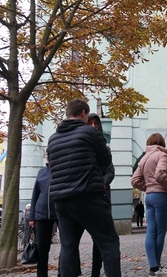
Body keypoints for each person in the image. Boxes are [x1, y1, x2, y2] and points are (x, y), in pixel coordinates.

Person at [47, 98, 121, 277]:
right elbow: (106, 161)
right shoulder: (90, 133)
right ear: (83, 114)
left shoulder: (53, 139)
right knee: (109, 242)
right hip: (88, 196)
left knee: (68, 247)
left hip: (61, 201)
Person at [131, 133, 167, 277]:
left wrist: (148, 188)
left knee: (151, 231)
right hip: (161, 196)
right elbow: (160, 175)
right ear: (162, 143)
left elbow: (135, 180)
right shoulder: (162, 155)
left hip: (149, 197)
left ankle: (154, 267)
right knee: (160, 232)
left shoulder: (144, 158)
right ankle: (156, 268)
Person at [88, 113, 116, 277]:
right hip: (83, 194)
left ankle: (95, 272)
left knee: (100, 238)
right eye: (90, 123)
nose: (93, 126)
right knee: (70, 241)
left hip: (102, 195)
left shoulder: (105, 148)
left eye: (96, 123)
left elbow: (110, 171)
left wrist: (103, 183)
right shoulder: (81, 144)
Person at [29, 157, 59, 277]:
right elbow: (35, 194)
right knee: (42, 248)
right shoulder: (41, 172)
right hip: (41, 214)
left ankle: (66, 272)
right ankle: (42, 275)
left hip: (60, 213)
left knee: (68, 244)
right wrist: (32, 216)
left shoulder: (62, 169)